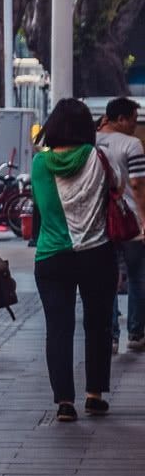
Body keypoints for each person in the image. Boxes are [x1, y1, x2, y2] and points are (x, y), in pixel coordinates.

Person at [31, 98, 121, 421]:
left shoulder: (39, 165)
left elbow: (39, 206)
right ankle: (94, 394)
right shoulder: (101, 157)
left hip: (52, 257)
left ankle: (64, 402)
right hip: (97, 253)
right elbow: (118, 189)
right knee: (98, 325)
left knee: (59, 327)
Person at [95, 97, 145, 351]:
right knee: (137, 276)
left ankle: (111, 336)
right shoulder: (132, 144)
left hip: (100, 223)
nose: (135, 127)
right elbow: (137, 185)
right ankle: (136, 334)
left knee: (107, 278)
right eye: (134, 121)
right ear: (121, 119)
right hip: (130, 221)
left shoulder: (91, 142)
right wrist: (144, 219)